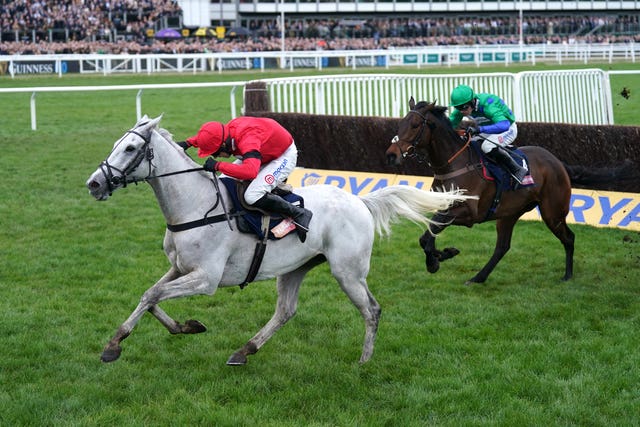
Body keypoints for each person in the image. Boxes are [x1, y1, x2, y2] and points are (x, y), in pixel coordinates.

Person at [179, 117, 313, 242]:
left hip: (281, 156)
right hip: (262, 151)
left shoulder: (248, 140)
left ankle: (298, 213)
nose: (216, 156)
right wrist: (188, 143)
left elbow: (250, 172)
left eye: (215, 153)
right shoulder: (227, 133)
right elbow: (211, 136)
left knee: (252, 196)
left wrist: (218, 165)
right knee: (222, 181)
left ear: (224, 146)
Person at [448, 84, 528, 184]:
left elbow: (504, 125)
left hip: (507, 130)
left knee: (487, 146)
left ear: (473, 101)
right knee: (467, 143)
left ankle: (517, 169)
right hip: (487, 131)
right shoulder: (462, 108)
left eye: (464, 107)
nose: (462, 111)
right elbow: (449, 125)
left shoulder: (488, 105)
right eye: (458, 108)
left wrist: (480, 129)